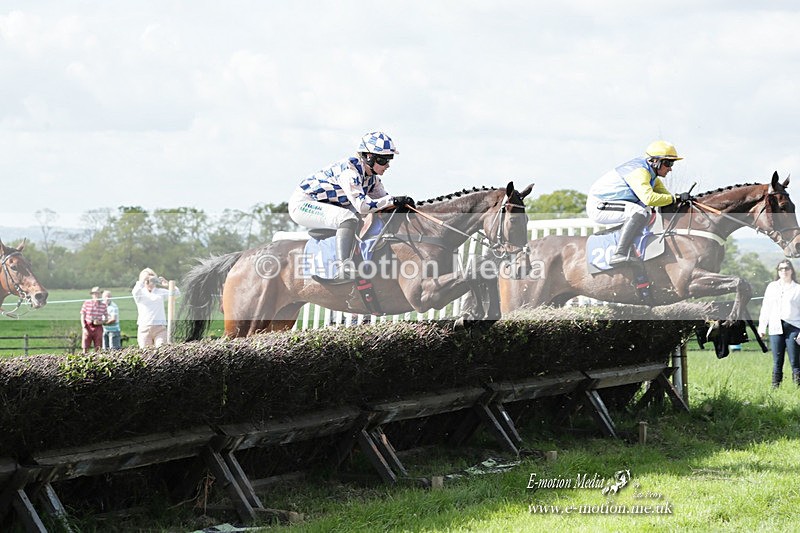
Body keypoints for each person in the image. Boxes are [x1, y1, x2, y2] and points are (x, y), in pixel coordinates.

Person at [288, 131, 415, 281]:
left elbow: (384, 201)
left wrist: (402, 206)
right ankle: (344, 267)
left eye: (389, 159)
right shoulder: (350, 172)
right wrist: (392, 201)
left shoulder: (372, 179)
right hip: (304, 203)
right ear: (369, 157)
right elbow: (362, 206)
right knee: (348, 218)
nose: (387, 165)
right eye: (383, 160)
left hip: (330, 204)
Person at [586, 140, 691, 265]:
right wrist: (675, 198)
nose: (670, 169)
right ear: (655, 161)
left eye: (672, 164)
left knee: (645, 212)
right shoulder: (640, 172)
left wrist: (682, 200)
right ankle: (619, 254)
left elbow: (667, 198)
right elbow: (649, 199)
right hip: (599, 206)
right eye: (668, 163)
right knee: (638, 211)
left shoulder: (652, 176)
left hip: (612, 204)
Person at [758, 260, 800, 388]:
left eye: (786, 268)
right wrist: (762, 326)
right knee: (777, 360)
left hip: (793, 327)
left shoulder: (798, 289)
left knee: (795, 361)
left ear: (791, 270)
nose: (784, 271)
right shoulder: (772, 287)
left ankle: (797, 389)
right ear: (778, 271)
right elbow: (766, 308)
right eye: (781, 269)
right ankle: (775, 388)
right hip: (776, 326)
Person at [132, 268, 180, 348]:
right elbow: (135, 292)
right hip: (144, 328)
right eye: (147, 281)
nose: (150, 283)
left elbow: (177, 294)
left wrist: (168, 285)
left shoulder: (160, 291)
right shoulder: (140, 292)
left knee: (161, 350)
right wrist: (142, 279)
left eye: (153, 280)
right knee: (145, 353)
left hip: (160, 328)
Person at [80, 286, 107, 353]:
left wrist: (100, 322)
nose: (96, 295)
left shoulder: (103, 305)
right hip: (88, 326)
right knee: (85, 347)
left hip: (98, 327)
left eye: (98, 293)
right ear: (92, 295)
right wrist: (84, 327)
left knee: (98, 347)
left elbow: (106, 318)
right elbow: (82, 315)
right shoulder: (86, 303)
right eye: (95, 293)